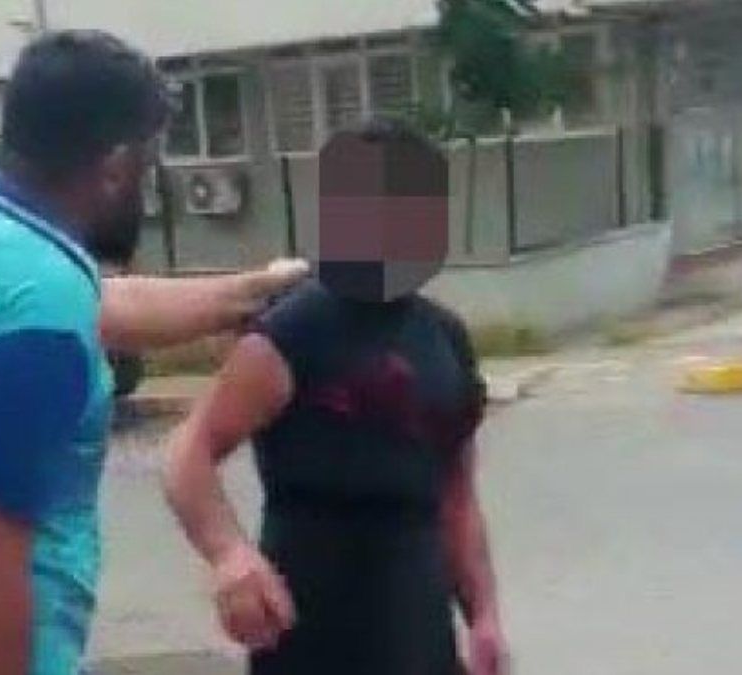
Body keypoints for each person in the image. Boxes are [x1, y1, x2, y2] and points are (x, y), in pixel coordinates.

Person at [0, 31, 304, 675]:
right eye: (148, 163)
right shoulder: (39, 315)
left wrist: (252, 292)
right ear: (116, 166)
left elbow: (100, 304)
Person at [165, 120, 508, 675]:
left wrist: (484, 617)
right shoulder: (296, 332)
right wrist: (229, 554)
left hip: (419, 635)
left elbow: (456, 496)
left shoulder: (446, 338)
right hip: (312, 638)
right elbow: (189, 452)